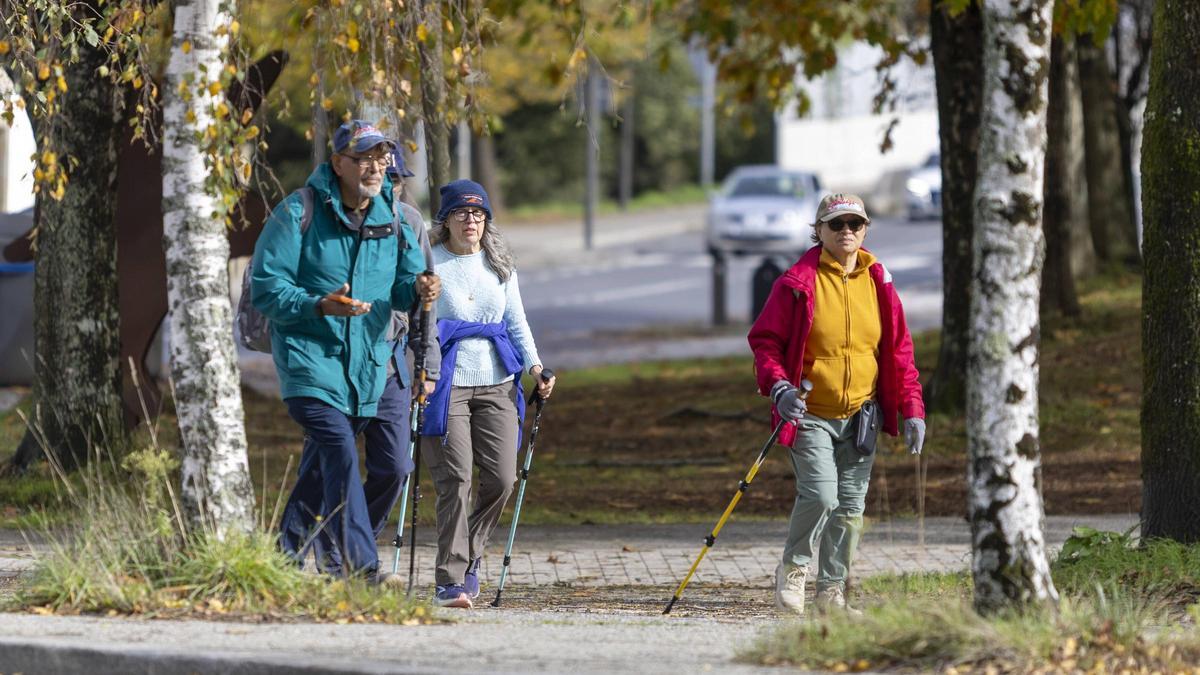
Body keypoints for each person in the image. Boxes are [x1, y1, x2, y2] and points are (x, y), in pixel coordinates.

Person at [252, 119, 440, 580]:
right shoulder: (298, 211)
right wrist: (319, 305)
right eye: (363, 158)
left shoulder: (392, 218)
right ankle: (360, 567)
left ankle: (282, 559)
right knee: (340, 452)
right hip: (309, 363)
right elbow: (266, 288)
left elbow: (403, 287)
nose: (375, 167)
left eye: (381, 158)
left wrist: (420, 289)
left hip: (367, 368)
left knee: (327, 467)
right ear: (337, 163)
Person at [747, 193, 925, 615]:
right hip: (809, 412)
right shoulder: (797, 282)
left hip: (862, 413)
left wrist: (912, 408)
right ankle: (793, 571)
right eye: (836, 224)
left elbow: (899, 349)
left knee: (849, 509)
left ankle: (831, 593)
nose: (847, 232)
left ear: (865, 230)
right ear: (819, 230)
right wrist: (780, 388)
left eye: (855, 224)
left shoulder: (878, 280)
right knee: (822, 496)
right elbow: (765, 342)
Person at [420, 179, 555, 608]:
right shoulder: (430, 264)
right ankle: (449, 579)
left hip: (497, 381)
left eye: (479, 214)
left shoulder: (499, 265)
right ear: (446, 220)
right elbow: (415, 322)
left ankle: (470, 553)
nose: (471, 220)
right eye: (462, 213)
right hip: (446, 384)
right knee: (455, 478)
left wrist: (535, 367)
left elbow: (516, 322)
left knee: (501, 478)